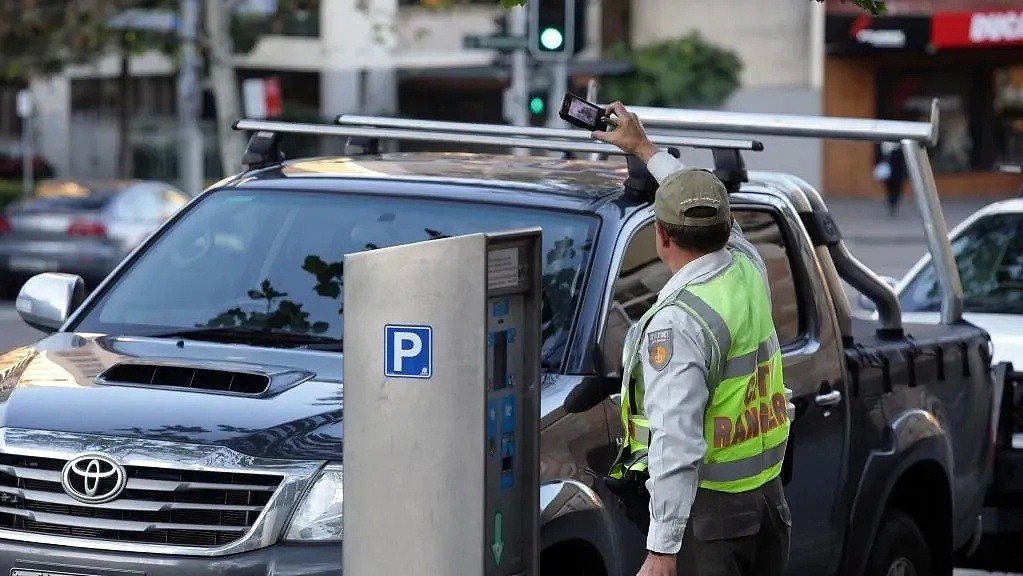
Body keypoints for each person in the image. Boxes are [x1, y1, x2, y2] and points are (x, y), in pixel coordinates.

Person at [592, 102, 792, 576]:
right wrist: (644, 148)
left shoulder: (679, 323)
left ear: (661, 236)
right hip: (767, 503)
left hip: (712, 521)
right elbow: (702, 204)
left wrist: (662, 550)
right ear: (726, 228)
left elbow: (676, 442)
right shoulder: (747, 264)